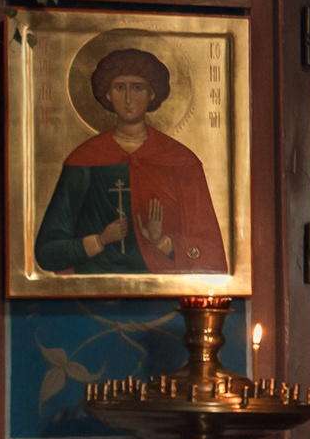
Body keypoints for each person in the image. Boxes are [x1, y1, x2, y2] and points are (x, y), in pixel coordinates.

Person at [34, 47, 228, 275]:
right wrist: (99, 240)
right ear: (107, 95)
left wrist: (163, 242)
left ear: (152, 94)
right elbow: (48, 252)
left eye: (137, 88)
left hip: (163, 288)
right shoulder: (85, 160)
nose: (128, 99)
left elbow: (211, 253)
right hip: (94, 287)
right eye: (119, 88)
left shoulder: (180, 161)